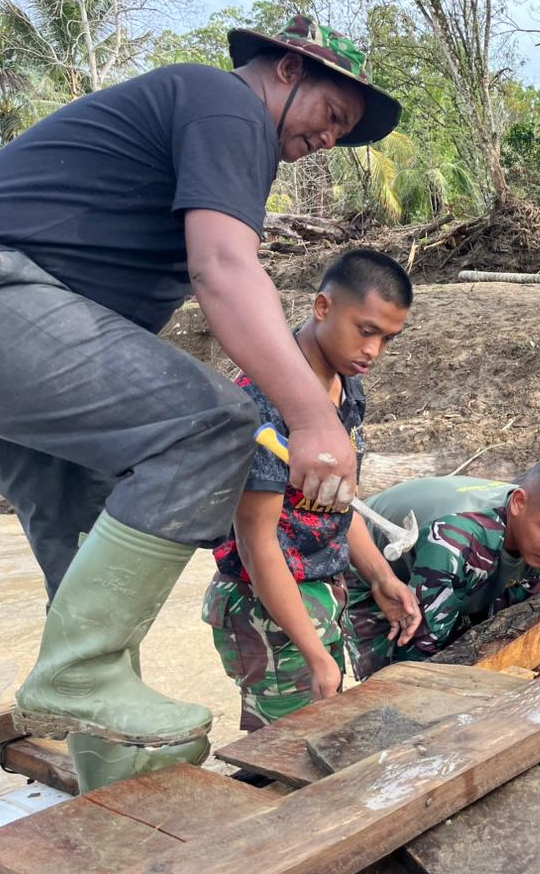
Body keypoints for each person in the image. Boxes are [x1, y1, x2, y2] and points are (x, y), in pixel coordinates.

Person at [0, 14, 400, 785]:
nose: (329, 137)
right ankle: (79, 675)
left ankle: (109, 774)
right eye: (331, 113)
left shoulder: (212, 125)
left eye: (342, 131)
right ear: (287, 70)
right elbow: (224, 270)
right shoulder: (225, 103)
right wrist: (312, 416)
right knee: (214, 424)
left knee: (86, 551)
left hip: (14, 332)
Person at [203, 250, 421, 732]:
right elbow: (256, 543)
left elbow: (338, 507)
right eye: (366, 331)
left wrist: (381, 577)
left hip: (321, 596)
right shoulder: (264, 400)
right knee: (286, 745)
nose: (374, 351)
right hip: (267, 607)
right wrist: (315, 653)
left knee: (322, 735)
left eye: (388, 338)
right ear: (323, 307)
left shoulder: (347, 387)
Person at [357, 453, 540, 662]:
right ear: (518, 503)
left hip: (444, 569)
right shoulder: (456, 542)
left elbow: (530, 616)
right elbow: (419, 656)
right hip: (362, 567)